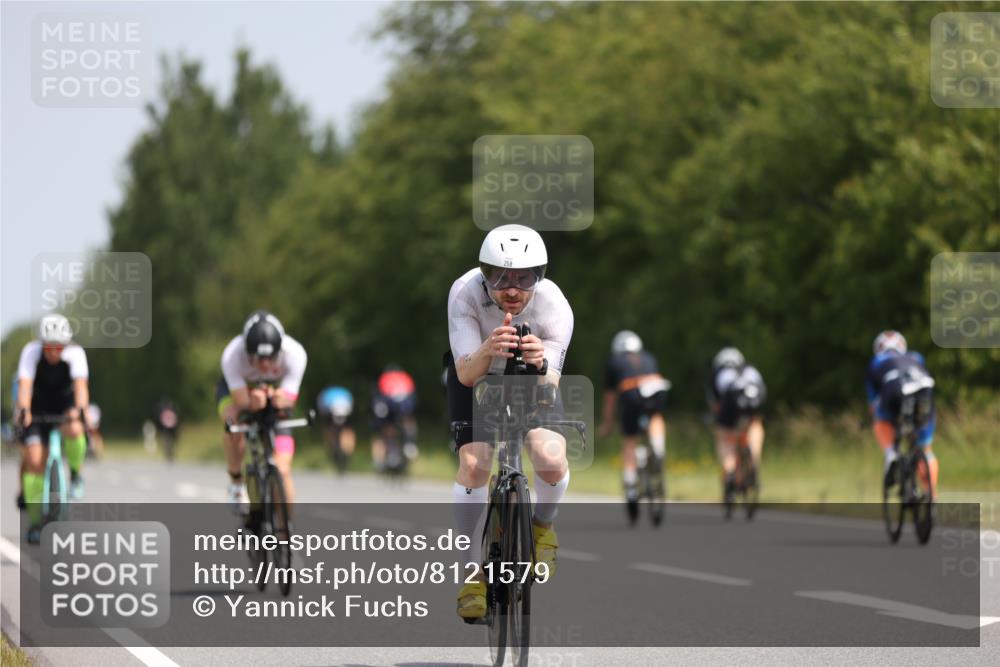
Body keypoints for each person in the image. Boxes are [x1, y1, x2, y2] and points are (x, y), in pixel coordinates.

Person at [445, 224, 573, 620]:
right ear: (484, 274)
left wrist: (540, 360)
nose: (511, 288)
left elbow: (550, 384)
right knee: (475, 463)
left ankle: (542, 526)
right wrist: (488, 348)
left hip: (529, 376)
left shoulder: (554, 304)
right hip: (476, 370)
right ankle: (471, 572)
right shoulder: (464, 292)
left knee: (550, 456)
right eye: (498, 276)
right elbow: (466, 373)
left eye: (524, 277)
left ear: (541, 276)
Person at [217, 310, 307, 521]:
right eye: (258, 358)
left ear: (280, 350)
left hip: (275, 396)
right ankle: (236, 481)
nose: (265, 364)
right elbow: (241, 402)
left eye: (271, 358)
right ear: (247, 352)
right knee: (232, 421)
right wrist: (251, 399)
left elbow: (289, 398)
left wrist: (277, 398)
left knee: (283, 470)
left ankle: (286, 539)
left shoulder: (295, 353)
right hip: (240, 392)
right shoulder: (232, 354)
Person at [15, 314, 90, 544]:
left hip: (64, 405)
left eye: (58, 347)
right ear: (42, 344)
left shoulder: (76, 354)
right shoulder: (30, 352)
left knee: (76, 429)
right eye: (48, 347)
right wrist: (25, 411)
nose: (53, 352)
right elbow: (25, 386)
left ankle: (76, 473)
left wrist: (79, 410)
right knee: (36, 461)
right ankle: (36, 522)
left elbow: (80, 388)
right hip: (38, 407)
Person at [599, 330, 670, 518]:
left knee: (630, 441)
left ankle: (630, 482)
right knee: (655, 416)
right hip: (656, 389)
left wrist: (607, 425)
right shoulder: (648, 357)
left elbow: (610, 399)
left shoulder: (614, 362)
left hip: (631, 392)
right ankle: (658, 447)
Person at [866, 330, 938, 498]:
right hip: (925, 389)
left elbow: (874, 402)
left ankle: (891, 454)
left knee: (881, 419)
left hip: (894, 389)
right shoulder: (916, 357)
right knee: (926, 448)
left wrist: (877, 417)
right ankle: (931, 493)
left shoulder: (876, 361)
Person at [707, 347, 766, 505]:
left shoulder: (718, 373)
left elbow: (716, 406)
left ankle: (730, 471)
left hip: (731, 399)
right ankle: (753, 460)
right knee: (755, 424)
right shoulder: (750, 369)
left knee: (724, 437)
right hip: (754, 396)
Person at [370, 365, 418, 471]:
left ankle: (380, 459)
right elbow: (413, 395)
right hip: (405, 404)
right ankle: (410, 443)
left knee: (384, 428)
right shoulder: (405, 377)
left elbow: (378, 398)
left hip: (388, 405)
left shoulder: (384, 377)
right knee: (409, 420)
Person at [316, 385, 355, 470]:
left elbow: (322, 410)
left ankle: (338, 450)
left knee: (333, 430)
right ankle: (342, 450)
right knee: (344, 430)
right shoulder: (343, 395)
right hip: (338, 410)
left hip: (334, 410)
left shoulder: (327, 396)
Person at [154, 397, 180, 461]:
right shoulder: (173, 409)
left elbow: (160, 419)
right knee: (169, 442)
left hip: (166, 429)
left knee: (167, 442)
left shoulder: (163, 409)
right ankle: (170, 455)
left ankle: (169, 455)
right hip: (170, 429)